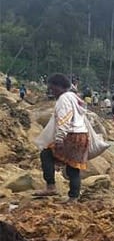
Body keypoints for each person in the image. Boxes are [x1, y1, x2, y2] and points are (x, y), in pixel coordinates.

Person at [34, 74, 89, 202]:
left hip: (70, 135)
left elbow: (65, 118)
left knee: (46, 154)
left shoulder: (63, 99)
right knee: (73, 167)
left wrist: (59, 138)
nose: (51, 91)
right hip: (82, 135)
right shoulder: (75, 97)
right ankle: (73, 198)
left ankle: (51, 186)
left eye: (53, 88)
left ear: (60, 87)